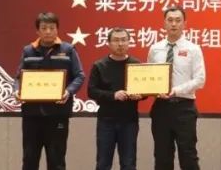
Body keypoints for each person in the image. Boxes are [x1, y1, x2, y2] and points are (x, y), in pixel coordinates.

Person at [15, 11, 86, 170]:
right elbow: (19, 77)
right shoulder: (28, 51)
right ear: (37, 31)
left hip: (58, 113)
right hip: (32, 114)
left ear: (57, 29)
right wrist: (17, 91)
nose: (48, 31)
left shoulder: (68, 49)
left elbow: (79, 75)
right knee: (29, 159)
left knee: (56, 160)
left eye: (52, 28)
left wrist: (68, 91)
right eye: (44, 28)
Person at [146, 6, 206, 170]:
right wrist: (152, 89)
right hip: (161, 108)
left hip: (184, 108)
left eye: (178, 20)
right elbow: (149, 76)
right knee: (162, 156)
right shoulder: (155, 48)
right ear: (164, 23)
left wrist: (176, 90)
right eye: (170, 20)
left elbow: (200, 80)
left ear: (184, 23)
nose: (174, 24)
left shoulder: (193, 49)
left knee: (188, 156)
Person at [87, 27, 144, 170]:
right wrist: (113, 95)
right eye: (116, 40)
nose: (120, 44)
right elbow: (92, 91)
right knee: (103, 163)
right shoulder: (99, 65)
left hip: (129, 121)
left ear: (129, 42)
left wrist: (141, 95)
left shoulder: (136, 64)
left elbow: (144, 91)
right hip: (106, 121)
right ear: (108, 43)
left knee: (128, 163)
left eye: (124, 40)